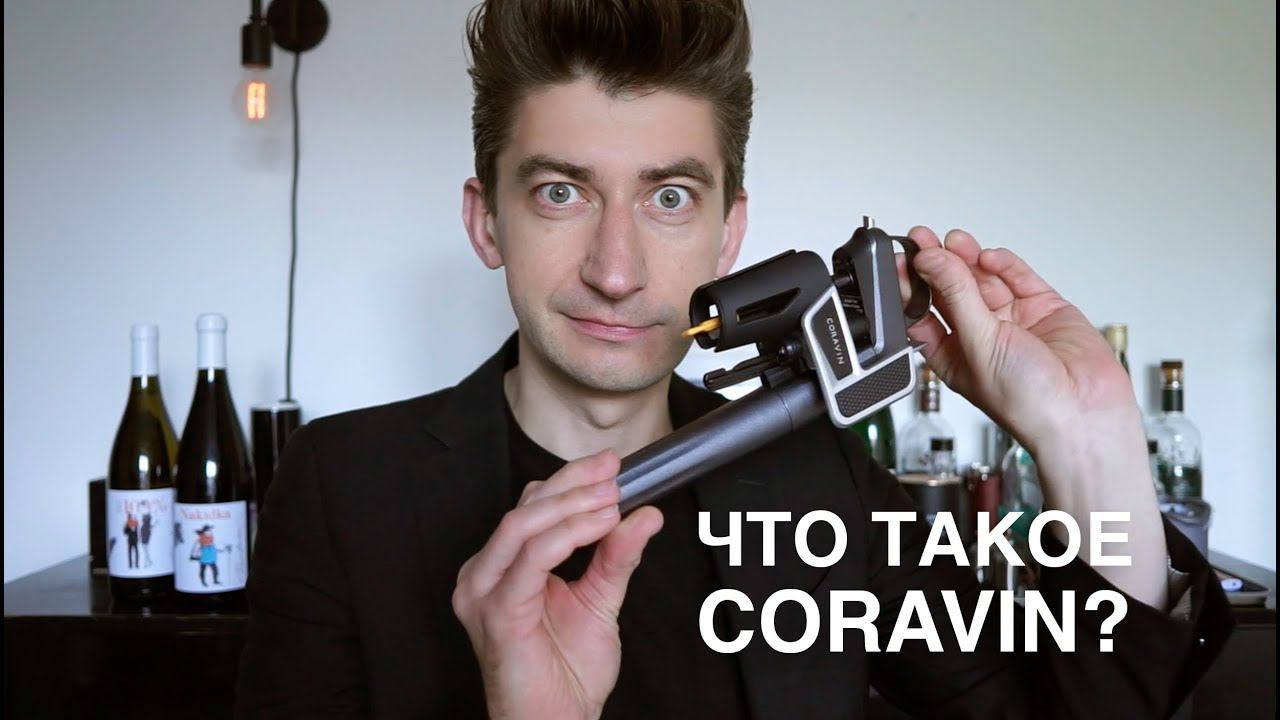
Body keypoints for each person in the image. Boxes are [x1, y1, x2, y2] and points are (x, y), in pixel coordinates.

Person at [236, 1, 1233, 718]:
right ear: (485, 220)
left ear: (729, 233)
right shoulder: (340, 488)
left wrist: (1091, 436)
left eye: (669, 197)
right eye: (560, 193)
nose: (616, 270)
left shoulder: (823, 481)